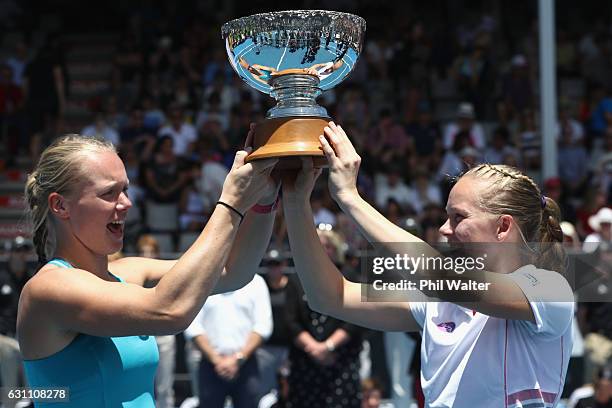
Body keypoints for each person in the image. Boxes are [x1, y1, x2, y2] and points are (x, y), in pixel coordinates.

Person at [281, 122, 574, 408]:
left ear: (503, 226)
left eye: (459, 217)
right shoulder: (438, 296)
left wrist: (349, 198)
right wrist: (295, 202)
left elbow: (449, 279)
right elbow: (330, 297)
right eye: (446, 216)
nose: (444, 229)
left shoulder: (551, 288)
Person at [17, 128, 279, 407]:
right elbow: (171, 310)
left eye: (125, 190)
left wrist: (264, 195)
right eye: (109, 193)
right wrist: (230, 203)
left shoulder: (130, 272)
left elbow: (233, 272)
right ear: (60, 206)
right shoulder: (49, 288)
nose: (127, 203)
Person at [184, 273, 273, 408]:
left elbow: (263, 326)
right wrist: (217, 360)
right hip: (211, 365)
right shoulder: (202, 279)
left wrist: (238, 359)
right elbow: (192, 325)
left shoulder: (256, 282)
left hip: (246, 364)